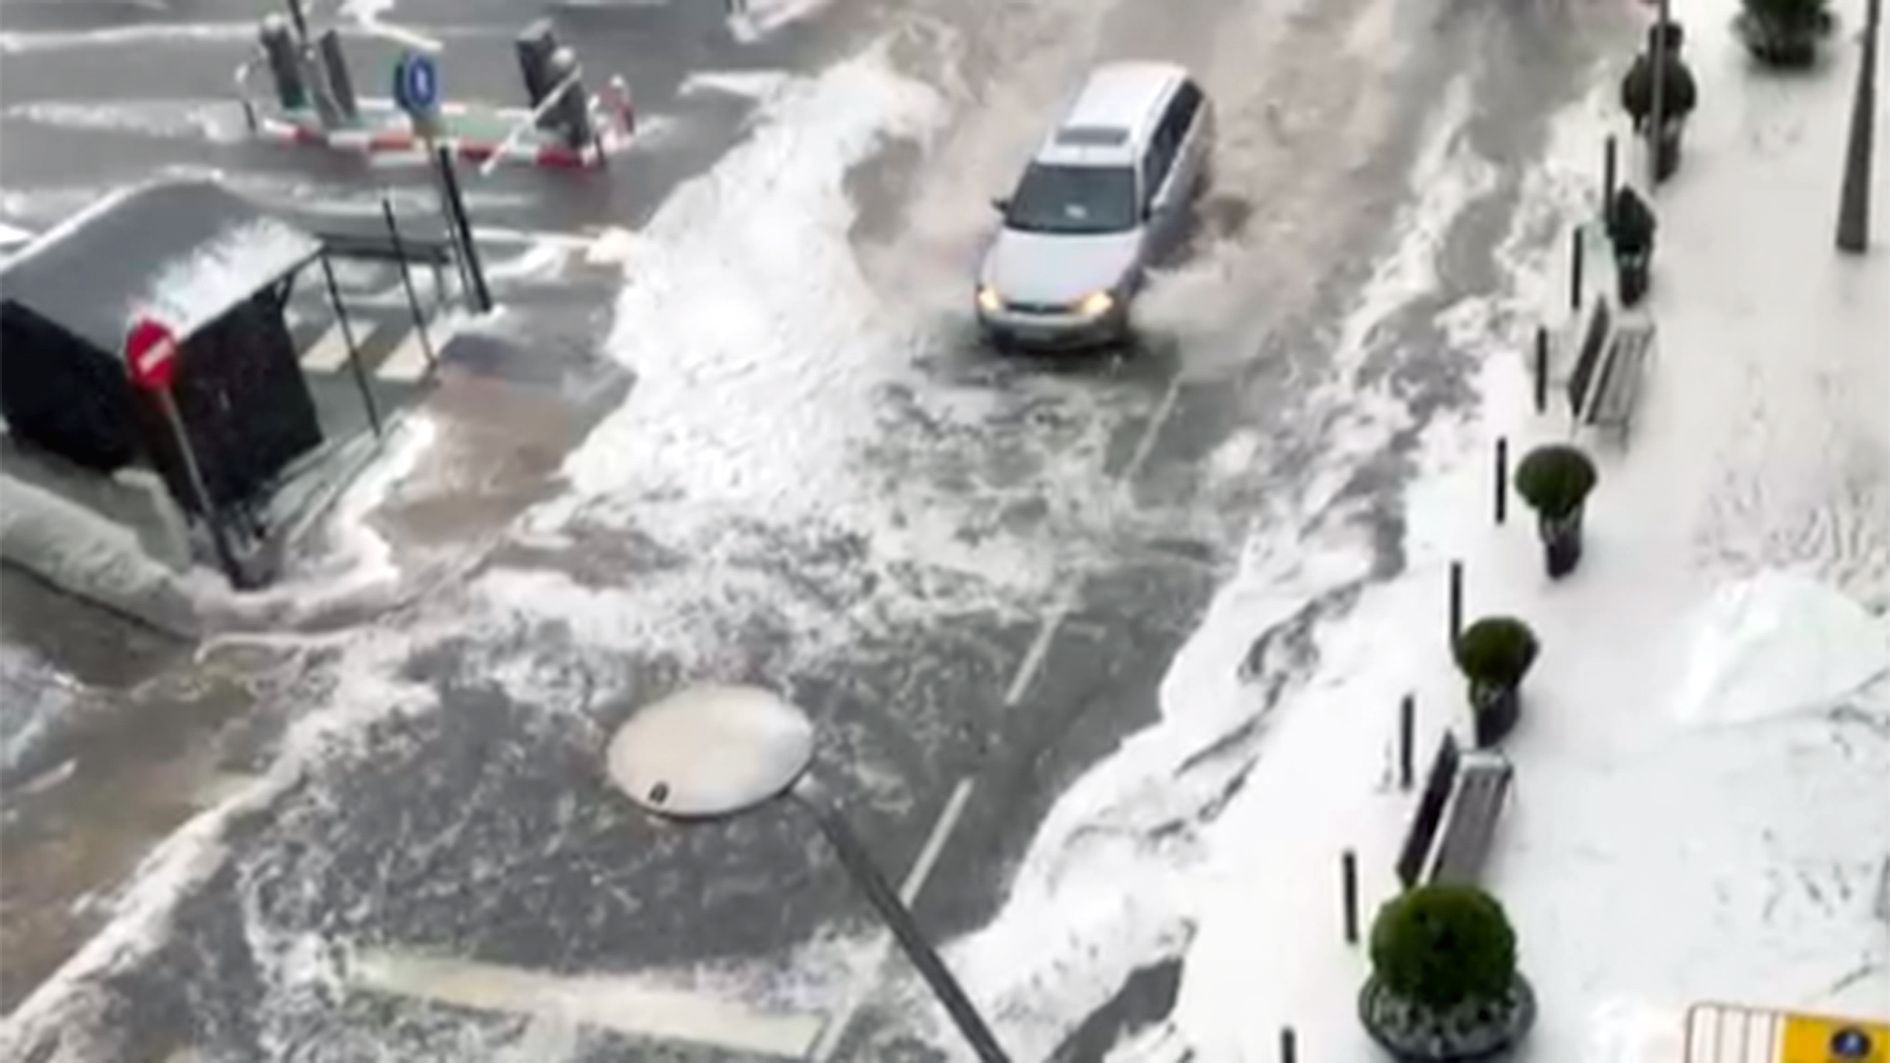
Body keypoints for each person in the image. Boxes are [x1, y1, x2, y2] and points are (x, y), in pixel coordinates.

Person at [1609, 186, 1656, 305]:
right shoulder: (1639, 209)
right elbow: (1651, 223)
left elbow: (1610, 229)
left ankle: (1630, 292)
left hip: (1629, 245)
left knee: (1628, 269)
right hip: (1632, 245)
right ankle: (1636, 289)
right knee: (1633, 268)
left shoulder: (1617, 211)